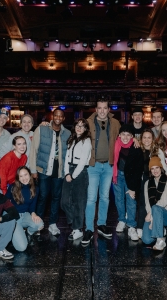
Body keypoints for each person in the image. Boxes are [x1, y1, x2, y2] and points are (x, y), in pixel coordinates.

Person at [81, 99, 121, 245]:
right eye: (100, 108)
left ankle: (102, 224)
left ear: (108, 109)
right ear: (96, 109)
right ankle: (89, 229)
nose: (102, 111)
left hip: (109, 165)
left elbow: (122, 138)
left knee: (105, 197)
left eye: (105, 108)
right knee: (91, 198)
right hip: (93, 165)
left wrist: (135, 140)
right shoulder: (88, 122)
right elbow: (77, 133)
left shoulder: (116, 123)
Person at [29, 108, 70, 235]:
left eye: (60, 116)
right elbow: (33, 150)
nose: (58, 118)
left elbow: (68, 155)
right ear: (52, 116)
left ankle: (53, 223)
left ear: (63, 119)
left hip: (58, 171)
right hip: (43, 170)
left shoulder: (67, 133)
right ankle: (38, 223)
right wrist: (33, 170)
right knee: (42, 196)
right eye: (56, 115)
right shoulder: (41, 129)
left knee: (56, 197)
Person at [136, 128, 167, 239]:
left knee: (156, 201)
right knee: (142, 203)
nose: (146, 140)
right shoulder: (138, 149)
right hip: (143, 179)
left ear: (153, 139)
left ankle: (159, 224)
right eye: (144, 137)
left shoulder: (157, 150)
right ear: (141, 139)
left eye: (149, 137)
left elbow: (163, 166)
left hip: (155, 177)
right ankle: (140, 227)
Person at [61, 118, 91, 240]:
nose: (79, 128)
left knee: (79, 202)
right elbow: (67, 158)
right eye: (77, 125)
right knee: (64, 202)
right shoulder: (71, 139)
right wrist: (67, 173)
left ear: (85, 129)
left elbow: (83, 161)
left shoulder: (87, 141)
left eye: (82, 126)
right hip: (69, 171)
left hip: (81, 173)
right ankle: (74, 223)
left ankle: (77, 229)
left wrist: (73, 176)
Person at [113, 125, 144, 241]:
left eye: (128, 135)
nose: (125, 137)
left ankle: (131, 225)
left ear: (132, 136)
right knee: (119, 199)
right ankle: (121, 219)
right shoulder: (115, 145)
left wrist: (133, 186)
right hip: (117, 175)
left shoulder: (136, 147)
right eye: (123, 134)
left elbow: (138, 168)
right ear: (119, 135)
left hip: (130, 178)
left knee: (131, 200)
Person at [6, 166, 44, 251]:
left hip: (24, 215)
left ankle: (29, 233)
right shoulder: (12, 187)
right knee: (22, 248)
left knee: (40, 224)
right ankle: (14, 232)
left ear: (30, 175)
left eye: (25, 175)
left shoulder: (35, 188)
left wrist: (33, 214)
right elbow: (5, 202)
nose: (24, 178)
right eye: (21, 176)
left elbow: (32, 205)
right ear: (18, 178)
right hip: (14, 218)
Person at [141, 157, 167, 250]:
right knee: (146, 240)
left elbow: (164, 201)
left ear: (161, 168)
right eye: (152, 168)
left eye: (157, 167)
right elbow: (147, 202)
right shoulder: (147, 183)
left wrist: (151, 214)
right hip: (153, 214)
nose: (155, 170)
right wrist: (151, 215)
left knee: (156, 208)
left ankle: (160, 240)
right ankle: (160, 230)